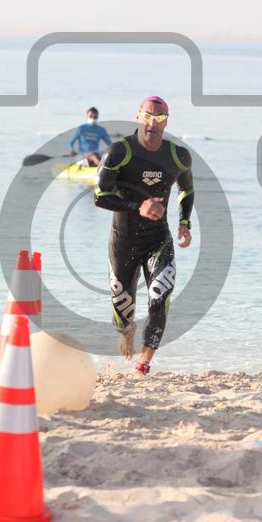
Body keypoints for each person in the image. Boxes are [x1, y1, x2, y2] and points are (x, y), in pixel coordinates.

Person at [94, 96, 194, 376]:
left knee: (159, 299)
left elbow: (186, 189)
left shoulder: (178, 155)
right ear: (138, 116)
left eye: (159, 118)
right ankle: (127, 330)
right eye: (148, 116)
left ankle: (143, 364)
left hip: (157, 241)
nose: (153, 123)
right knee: (122, 315)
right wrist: (138, 206)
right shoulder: (119, 151)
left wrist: (184, 223)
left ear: (166, 122)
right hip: (123, 242)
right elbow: (100, 196)